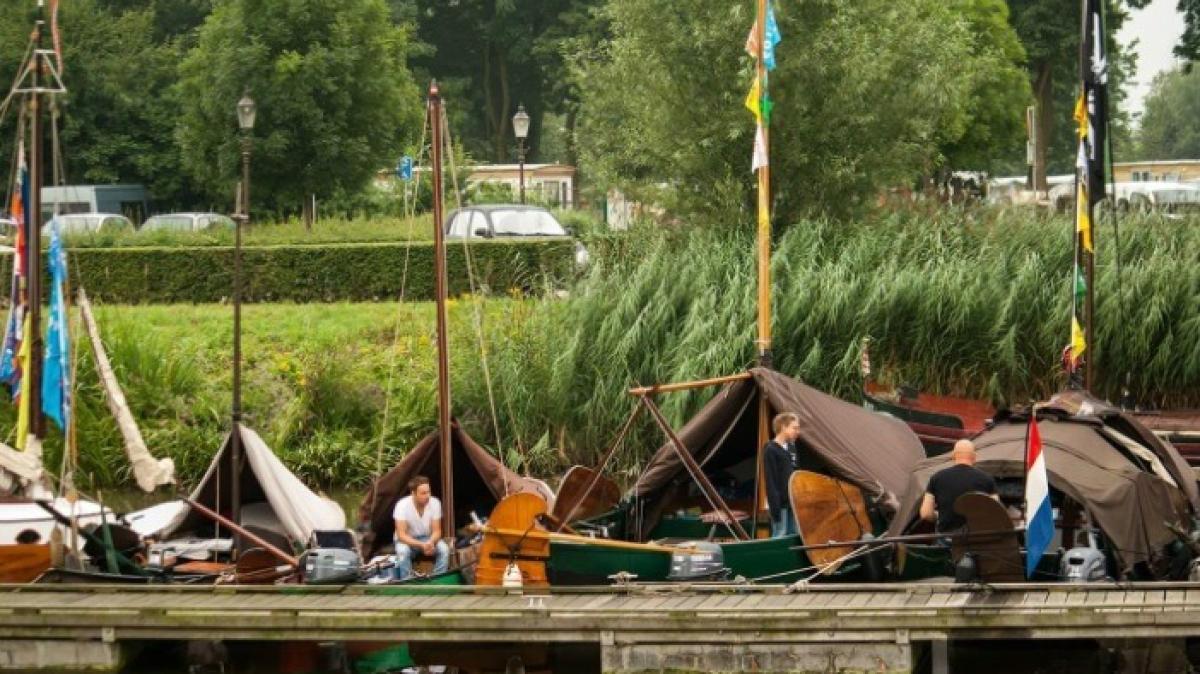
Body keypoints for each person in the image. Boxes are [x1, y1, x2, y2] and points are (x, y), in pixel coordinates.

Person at [920, 439, 998, 536]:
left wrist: (939, 515)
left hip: (947, 539)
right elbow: (996, 512)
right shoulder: (987, 479)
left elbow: (926, 513)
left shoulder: (936, 478)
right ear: (974, 457)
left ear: (953, 455)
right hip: (977, 540)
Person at [392, 476, 450, 579]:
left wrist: (430, 543)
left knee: (444, 549)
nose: (427, 496)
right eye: (423, 493)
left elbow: (437, 531)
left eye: (428, 492)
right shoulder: (402, 505)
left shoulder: (435, 503)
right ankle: (407, 581)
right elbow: (401, 535)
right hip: (407, 540)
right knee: (403, 552)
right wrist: (421, 545)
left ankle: (437, 580)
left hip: (427, 538)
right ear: (413, 494)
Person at [764, 412, 802, 538]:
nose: (797, 431)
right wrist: (775, 507)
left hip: (792, 502)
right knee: (780, 535)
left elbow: (795, 474)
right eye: (794, 428)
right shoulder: (771, 449)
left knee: (794, 535)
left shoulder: (791, 448)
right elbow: (771, 481)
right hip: (779, 504)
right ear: (783, 427)